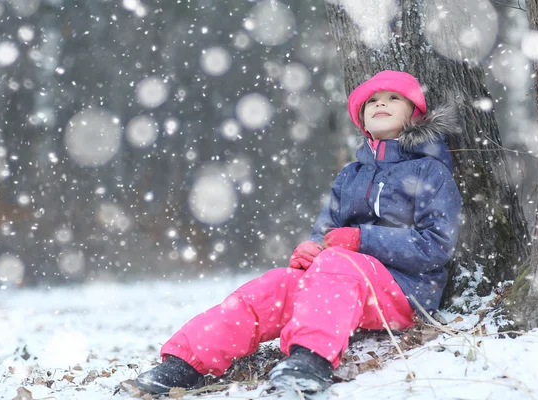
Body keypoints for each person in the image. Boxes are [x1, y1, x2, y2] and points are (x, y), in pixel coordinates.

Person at [135, 70, 462, 394]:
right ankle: (184, 362)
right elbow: (326, 232)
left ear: (415, 114)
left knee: (337, 264)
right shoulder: (351, 175)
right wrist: (313, 250)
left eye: (394, 98)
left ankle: (311, 360)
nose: (381, 104)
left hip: (405, 291)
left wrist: (362, 240)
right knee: (276, 285)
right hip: (343, 284)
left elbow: (436, 244)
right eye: (372, 100)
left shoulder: (428, 170)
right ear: (361, 118)